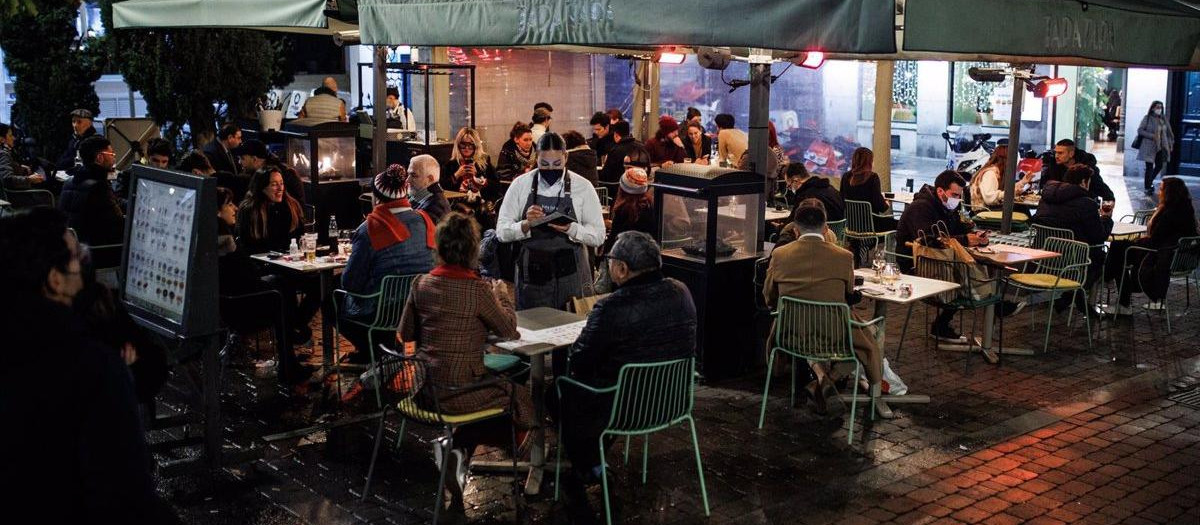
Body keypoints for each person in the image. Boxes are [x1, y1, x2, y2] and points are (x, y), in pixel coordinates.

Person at [0, 207, 179, 524]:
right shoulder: (91, 367)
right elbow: (123, 494)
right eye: (73, 256)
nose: (82, 259)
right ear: (55, 280)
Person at [398, 211, 535, 516]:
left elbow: (405, 332)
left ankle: (458, 450)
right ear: (473, 250)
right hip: (463, 391)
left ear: (440, 247)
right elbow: (508, 331)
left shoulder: (420, 283)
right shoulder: (478, 291)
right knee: (519, 396)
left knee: (504, 384)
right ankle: (467, 449)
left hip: (428, 389)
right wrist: (502, 297)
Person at [553, 231, 696, 512]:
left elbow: (580, 362)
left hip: (625, 409)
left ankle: (586, 466)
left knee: (558, 391)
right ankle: (593, 461)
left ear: (621, 268)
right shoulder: (681, 291)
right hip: (672, 402)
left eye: (610, 262)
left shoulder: (610, 306)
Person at [764, 200, 881, 414]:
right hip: (833, 335)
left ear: (796, 230)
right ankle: (829, 379)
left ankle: (819, 381)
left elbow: (769, 297)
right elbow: (848, 293)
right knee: (869, 340)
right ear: (826, 228)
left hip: (790, 333)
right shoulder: (844, 257)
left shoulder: (780, 255)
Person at [496, 132, 605, 309]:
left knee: (570, 327)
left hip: (571, 276)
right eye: (544, 164)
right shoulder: (520, 185)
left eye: (557, 164)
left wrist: (572, 229)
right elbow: (501, 232)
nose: (551, 169)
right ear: (536, 158)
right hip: (532, 278)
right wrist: (525, 224)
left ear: (566, 157)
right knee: (534, 329)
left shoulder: (583, 187)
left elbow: (599, 236)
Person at [339, 165, 436, 362]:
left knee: (329, 298)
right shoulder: (425, 220)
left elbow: (350, 283)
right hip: (420, 307)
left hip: (379, 313)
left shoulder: (368, 229)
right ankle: (381, 353)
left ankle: (370, 351)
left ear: (375, 198)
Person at [896, 170, 989, 342]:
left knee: (972, 269)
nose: (957, 199)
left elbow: (959, 228)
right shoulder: (921, 208)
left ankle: (945, 323)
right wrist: (964, 240)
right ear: (940, 191)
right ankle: (993, 306)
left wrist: (975, 236)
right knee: (965, 275)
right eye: (954, 195)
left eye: (959, 195)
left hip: (939, 259)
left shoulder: (948, 206)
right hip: (915, 262)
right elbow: (929, 240)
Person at [1106, 177, 1199, 314]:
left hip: (1157, 255)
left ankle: (1112, 287)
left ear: (1169, 192)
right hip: (1173, 256)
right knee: (1119, 248)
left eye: (1161, 189)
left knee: (1118, 250)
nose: (1158, 192)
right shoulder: (1185, 210)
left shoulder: (1169, 214)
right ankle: (1111, 282)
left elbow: (1156, 239)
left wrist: (1139, 240)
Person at [1033, 165, 1113, 309]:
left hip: (1044, 256)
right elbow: (1098, 236)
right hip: (1074, 260)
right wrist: (1106, 218)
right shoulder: (1087, 204)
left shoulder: (1045, 198)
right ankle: (1073, 294)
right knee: (1102, 257)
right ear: (1083, 182)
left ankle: (1071, 295)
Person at [58, 136, 124, 259]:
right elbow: (116, 224)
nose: (114, 157)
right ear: (99, 157)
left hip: (73, 249)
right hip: (97, 252)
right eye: (111, 153)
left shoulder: (68, 182)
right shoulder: (99, 187)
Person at [442, 127, 502, 229]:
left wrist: (478, 176)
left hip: (481, 201)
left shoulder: (484, 162)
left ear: (476, 147)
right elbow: (443, 188)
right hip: (459, 202)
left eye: (470, 145)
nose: (466, 148)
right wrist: (456, 175)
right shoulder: (451, 164)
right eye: (463, 145)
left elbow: (497, 186)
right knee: (464, 212)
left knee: (484, 212)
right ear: (458, 145)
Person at [840, 147, 896, 231]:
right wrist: (887, 203)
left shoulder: (846, 177)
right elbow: (881, 207)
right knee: (899, 224)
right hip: (872, 227)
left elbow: (841, 199)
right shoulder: (872, 177)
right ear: (869, 162)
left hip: (851, 227)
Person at [1042, 139, 1115, 202]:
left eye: (1060, 153)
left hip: (1082, 206)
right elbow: (1044, 186)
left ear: (1071, 154)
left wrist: (1108, 204)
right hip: (1058, 205)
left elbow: (1101, 188)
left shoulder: (1086, 168)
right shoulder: (1053, 165)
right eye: (1056, 152)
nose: (1056, 156)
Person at [602, 167, 654, 255]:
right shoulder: (651, 206)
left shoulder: (623, 211)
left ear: (622, 188)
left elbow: (615, 239)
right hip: (646, 255)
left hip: (626, 256)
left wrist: (602, 256)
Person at [969, 145, 1035, 210]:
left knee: (1021, 208)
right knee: (1021, 209)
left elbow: (1006, 190)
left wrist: (1022, 182)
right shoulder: (990, 173)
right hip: (984, 211)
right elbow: (989, 199)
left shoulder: (997, 172)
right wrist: (1012, 192)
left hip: (990, 208)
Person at [1137, 100, 1174, 194]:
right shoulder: (1147, 118)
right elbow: (1140, 130)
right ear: (1153, 108)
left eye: (1161, 107)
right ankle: (1147, 187)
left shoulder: (1163, 119)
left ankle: (1149, 182)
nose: (1159, 109)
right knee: (1149, 167)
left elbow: (1169, 133)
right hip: (1149, 146)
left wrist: (1170, 144)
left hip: (1161, 146)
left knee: (1159, 165)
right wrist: (1152, 136)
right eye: (1157, 107)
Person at [598, 120, 649, 188]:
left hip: (618, 190)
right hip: (641, 188)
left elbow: (605, 175)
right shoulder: (642, 147)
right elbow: (648, 168)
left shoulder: (615, 151)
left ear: (616, 135)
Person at [0, 122, 44, 191]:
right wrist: (29, 179)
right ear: (2, 139)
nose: (14, 138)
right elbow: (7, 180)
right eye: (10, 135)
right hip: (15, 196)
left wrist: (19, 167)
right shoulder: (3, 154)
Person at [408, 154, 450, 224]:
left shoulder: (436, 207)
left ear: (430, 179)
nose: (408, 180)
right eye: (408, 174)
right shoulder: (421, 196)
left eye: (414, 175)